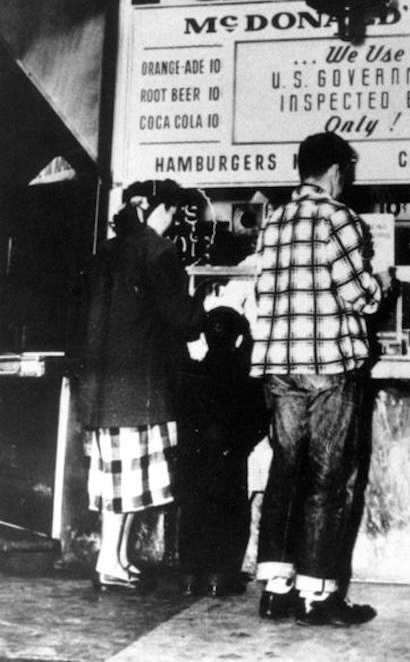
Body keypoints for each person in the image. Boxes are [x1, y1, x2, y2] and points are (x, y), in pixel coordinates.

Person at [252, 131, 389, 627]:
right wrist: (381, 285)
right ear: (336, 171)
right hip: (329, 366)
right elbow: (358, 295)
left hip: (278, 367)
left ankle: (274, 588)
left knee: (285, 471)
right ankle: (318, 595)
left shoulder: (273, 222)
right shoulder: (339, 218)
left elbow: (265, 293)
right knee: (328, 478)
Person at [79, 179, 208, 592]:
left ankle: (115, 557)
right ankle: (109, 563)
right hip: (139, 388)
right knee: (126, 485)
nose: (172, 222)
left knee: (116, 483)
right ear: (148, 207)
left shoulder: (109, 249)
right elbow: (185, 321)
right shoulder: (157, 250)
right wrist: (202, 293)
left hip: (103, 386)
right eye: (169, 212)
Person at [176, 305, 269, 597]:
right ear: (239, 337)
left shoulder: (191, 375)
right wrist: (238, 446)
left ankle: (190, 575)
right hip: (230, 459)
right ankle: (221, 576)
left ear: (204, 335)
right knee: (230, 513)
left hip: (195, 457)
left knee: (192, 510)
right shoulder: (248, 382)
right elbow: (259, 422)